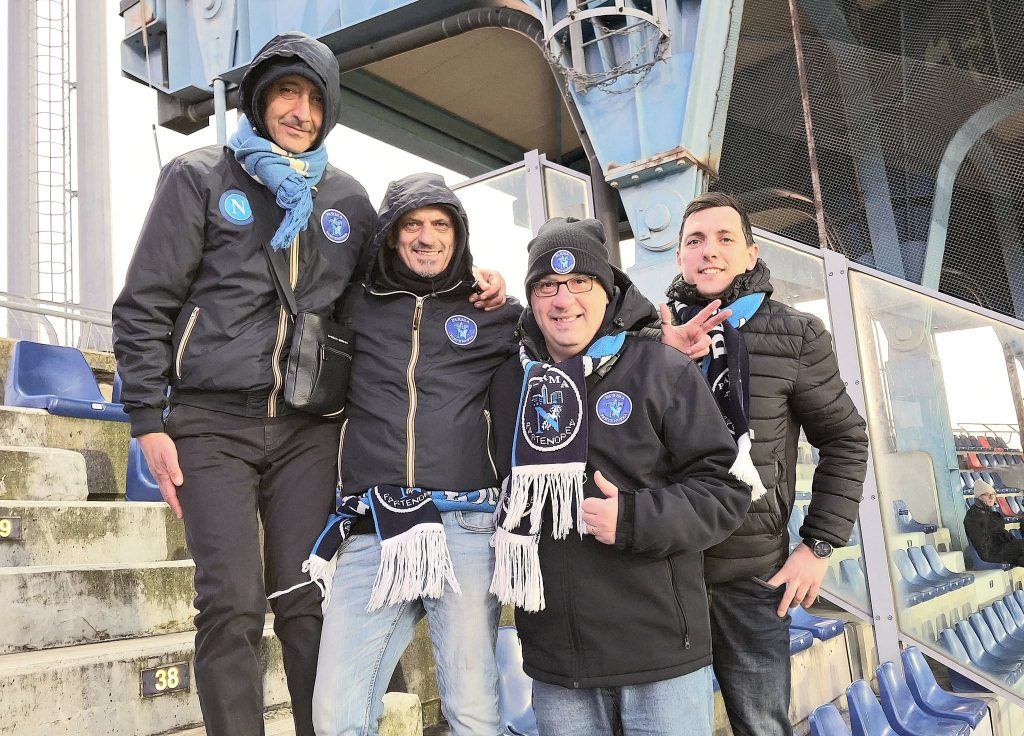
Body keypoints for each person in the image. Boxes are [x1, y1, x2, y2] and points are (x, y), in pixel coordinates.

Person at [111, 33, 503, 736]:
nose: (300, 111)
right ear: (260, 100)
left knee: (304, 598)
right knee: (231, 601)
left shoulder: (347, 198)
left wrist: (469, 278)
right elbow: (145, 303)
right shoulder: (200, 178)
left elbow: (396, 280)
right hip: (210, 423)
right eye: (287, 94)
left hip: (307, 429)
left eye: (316, 99)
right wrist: (146, 418)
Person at [487, 217, 750, 736]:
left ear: (608, 292)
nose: (563, 300)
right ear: (531, 300)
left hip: (659, 659)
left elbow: (726, 490)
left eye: (580, 282)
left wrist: (632, 518)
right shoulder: (508, 383)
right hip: (559, 667)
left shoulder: (661, 369)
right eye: (547, 286)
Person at [307, 173, 522, 736]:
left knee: (473, 713)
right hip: (374, 525)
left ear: (459, 234)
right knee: (335, 714)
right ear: (390, 234)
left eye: (441, 224)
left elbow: (575, 322)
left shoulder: (495, 311)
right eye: (412, 224)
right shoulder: (352, 304)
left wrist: (653, 334)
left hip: (467, 525)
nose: (427, 237)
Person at [662, 191, 869, 736]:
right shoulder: (650, 337)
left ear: (751, 254)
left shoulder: (795, 334)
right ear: (679, 257)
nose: (709, 251)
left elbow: (846, 438)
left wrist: (818, 545)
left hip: (751, 576)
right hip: (662, 573)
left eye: (724, 238)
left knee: (761, 725)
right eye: (695, 240)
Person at [964, 479, 1024, 566]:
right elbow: (983, 547)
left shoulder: (990, 514)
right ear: (979, 497)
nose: (991, 497)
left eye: (993, 494)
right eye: (986, 494)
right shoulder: (974, 517)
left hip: (1002, 549)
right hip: (992, 554)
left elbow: (1003, 535)